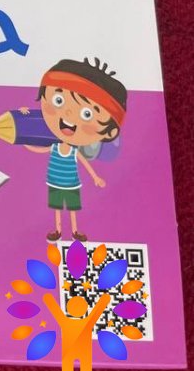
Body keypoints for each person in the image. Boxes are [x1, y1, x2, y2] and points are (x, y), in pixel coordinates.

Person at [20, 57, 127, 241]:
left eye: (87, 114)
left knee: (72, 208)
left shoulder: (73, 150)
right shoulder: (54, 146)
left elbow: (84, 163)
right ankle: (58, 230)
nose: (68, 114)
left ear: (110, 132)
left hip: (71, 184)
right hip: (54, 182)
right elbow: (40, 150)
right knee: (56, 207)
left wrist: (96, 178)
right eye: (59, 100)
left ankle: (75, 231)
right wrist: (24, 141)